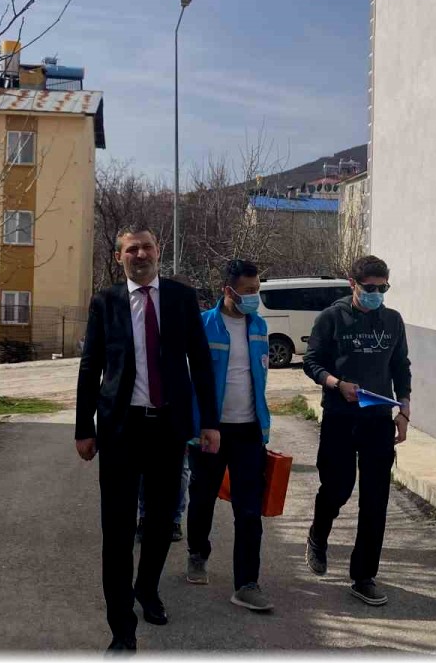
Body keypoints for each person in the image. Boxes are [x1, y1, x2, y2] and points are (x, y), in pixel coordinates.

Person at [74, 224, 220, 652]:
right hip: (121, 428)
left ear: (159, 251)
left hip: (168, 428)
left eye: (147, 247)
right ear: (120, 256)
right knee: (117, 529)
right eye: (131, 249)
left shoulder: (181, 297)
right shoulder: (106, 302)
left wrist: (209, 421)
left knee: (160, 522)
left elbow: (200, 364)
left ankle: (147, 589)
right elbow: (90, 367)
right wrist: (85, 429)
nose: (141, 254)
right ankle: (122, 630)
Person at [302, 255, 411, 607]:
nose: (377, 293)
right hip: (340, 416)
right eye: (370, 288)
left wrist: (404, 407)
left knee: (376, 499)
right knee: (337, 487)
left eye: (383, 288)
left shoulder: (392, 321)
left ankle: (364, 575)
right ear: (353, 283)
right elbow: (311, 361)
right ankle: (319, 533)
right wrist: (336, 383)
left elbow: (400, 365)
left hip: (378, 417)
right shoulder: (331, 318)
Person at [184, 259, 274, 611]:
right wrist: (194, 426)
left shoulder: (260, 327)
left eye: (257, 291)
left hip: (249, 431)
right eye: (248, 291)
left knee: (249, 510)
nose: (254, 298)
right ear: (228, 290)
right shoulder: (202, 325)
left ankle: (247, 582)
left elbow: (261, 378)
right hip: (209, 431)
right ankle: (197, 551)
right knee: (203, 497)